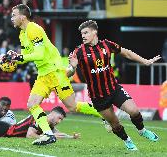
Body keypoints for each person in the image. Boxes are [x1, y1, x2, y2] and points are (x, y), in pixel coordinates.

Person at [4, 4, 103, 145]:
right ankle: (49, 134)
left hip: (55, 72)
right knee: (32, 104)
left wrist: (19, 57)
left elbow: (39, 54)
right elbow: (27, 56)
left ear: (23, 17)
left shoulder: (34, 29)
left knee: (72, 107)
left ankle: (103, 112)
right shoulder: (22, 33)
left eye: (14, 15)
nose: (12, 18)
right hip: (43, 74)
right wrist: (14, 58)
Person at [68, 20, 160, 151]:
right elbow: (69, 72)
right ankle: (128, 141)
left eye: (86, 32)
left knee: (134, 111)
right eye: (82, 33)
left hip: (113, 89)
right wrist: (72, 66)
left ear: (95, 32)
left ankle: (142, 130)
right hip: (98, 97)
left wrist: (145, 61)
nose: (83, 35)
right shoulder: (78, 52)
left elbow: (126, 52)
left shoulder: (107, 45)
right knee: (115, 124)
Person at [0, 106, 80, 140]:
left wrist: (71, 137)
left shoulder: (49, 125)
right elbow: (30, 135)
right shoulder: (39, 118)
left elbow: (57, 133)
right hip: (4, 130)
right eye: (59, 118)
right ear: (52, 113)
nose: (59, 121)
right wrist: (46, 136)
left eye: (61, 120)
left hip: (7, 129)